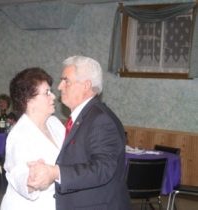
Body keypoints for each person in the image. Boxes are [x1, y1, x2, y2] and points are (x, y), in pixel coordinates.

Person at [27, 56, 132, 210]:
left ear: (86, 85)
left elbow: (102, 168)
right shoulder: (84, 117)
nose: (60, 86)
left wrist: (56, 172)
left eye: (66, 81)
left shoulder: (100, 119)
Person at [0, 68, 65, 210]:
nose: (53, 96)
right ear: (29, 100)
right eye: (47, 93)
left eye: (51, 91)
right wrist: (31, 182)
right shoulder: (19, 135)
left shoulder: (55, 123)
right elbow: (18, 173)